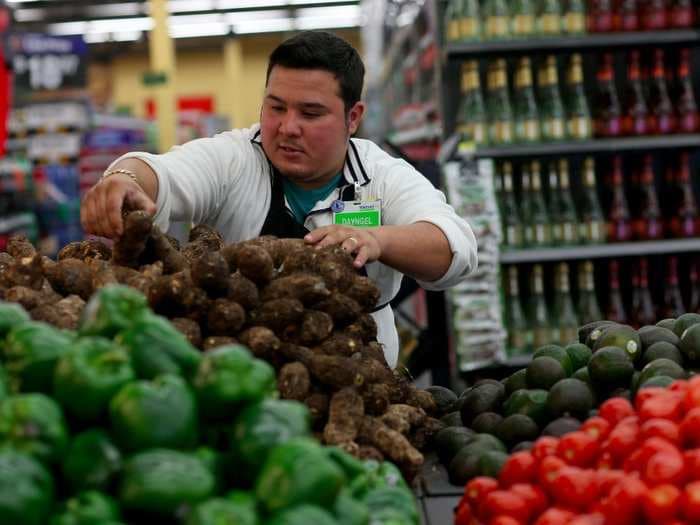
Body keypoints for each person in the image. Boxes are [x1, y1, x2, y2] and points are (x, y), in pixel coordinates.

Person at [80, 30, 478, 368]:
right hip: (242, 378)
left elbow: (454, 247)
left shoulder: (381, 174)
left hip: (360, 382)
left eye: (310, 113)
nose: (288, 128)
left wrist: (380, 240)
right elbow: (165, 172)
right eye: (276, 107)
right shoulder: (236, 159)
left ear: (352, 117)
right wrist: (123, 177)